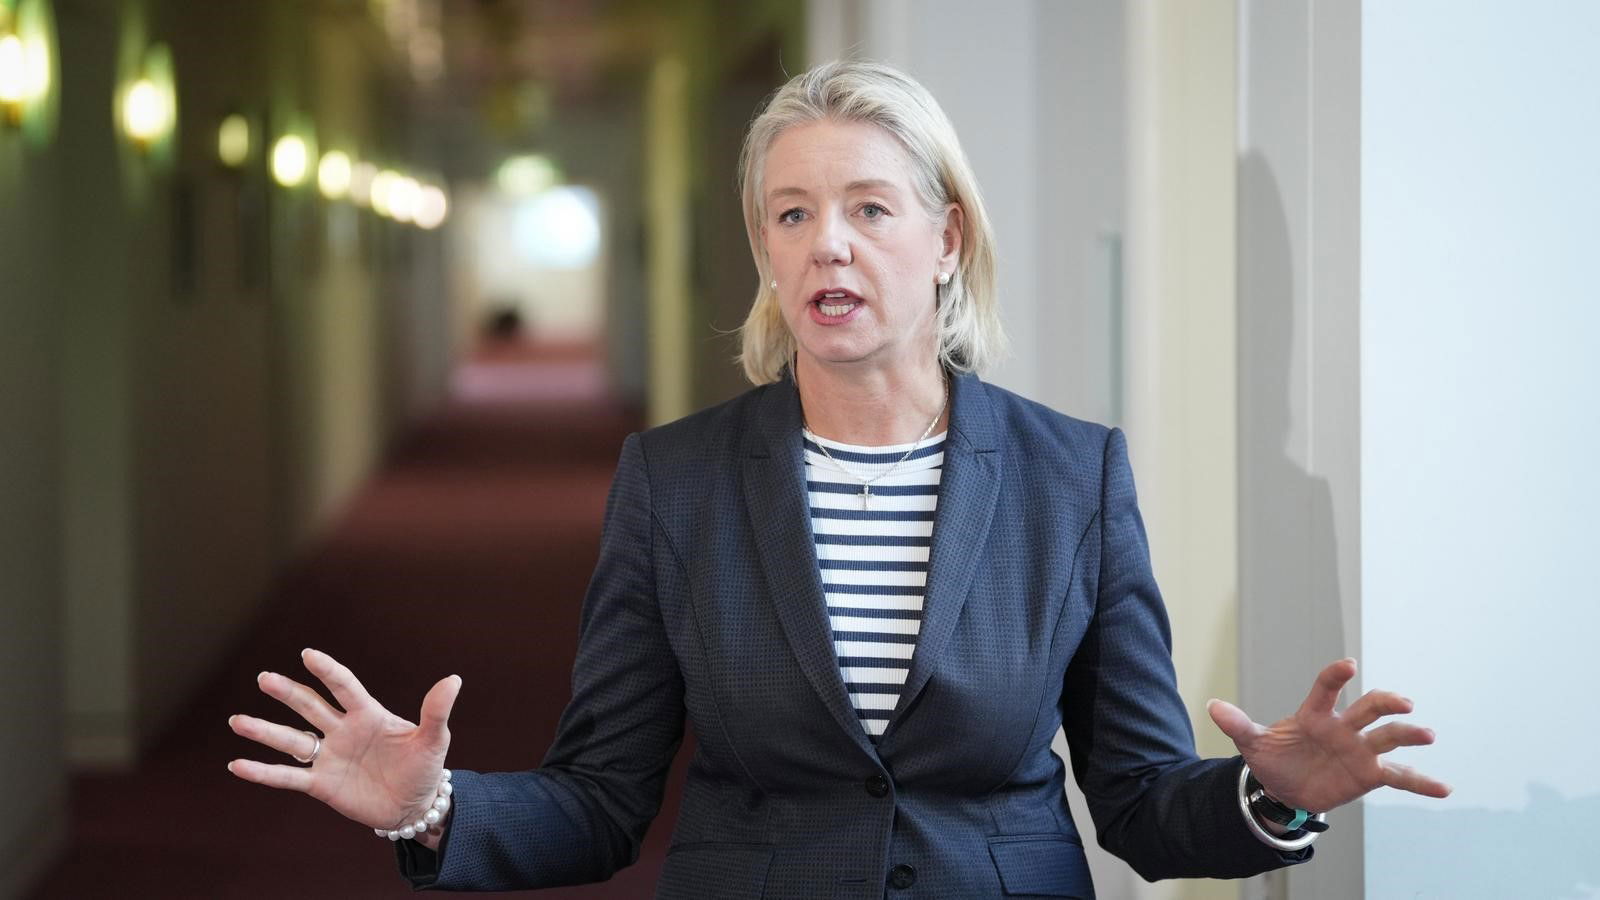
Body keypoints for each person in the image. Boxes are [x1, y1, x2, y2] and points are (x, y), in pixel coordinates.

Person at [226, 60, 1448, 897]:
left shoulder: (1070, 477)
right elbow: (603, 801)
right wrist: (432, 809)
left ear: (946, 237)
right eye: (794, 215)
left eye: (869, 207)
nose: (830, 244)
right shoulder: (677, 482)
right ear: (765, 248)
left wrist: (1266, 800)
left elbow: (1130, 797)